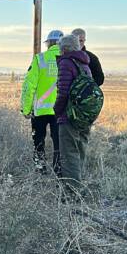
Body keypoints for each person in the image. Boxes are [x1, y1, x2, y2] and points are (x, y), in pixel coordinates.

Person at [54, 34, 94, 195]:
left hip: (69, 116)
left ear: (64, 49)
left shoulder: (65, 63)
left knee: (69, 154)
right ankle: (78, 187)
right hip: (84, 116)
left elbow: (63, 92)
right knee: (79, 151)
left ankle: (72, 193)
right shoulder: (84, 63)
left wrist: (57, 111)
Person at [22, 30, 63, 174]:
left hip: (40, 111)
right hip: (61, 111)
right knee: (59, 144)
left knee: (38, 142)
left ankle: (40, 170)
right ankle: (59, 171)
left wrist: (26, 109)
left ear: (49, 44)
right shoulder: (69, 60)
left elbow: (29, 86)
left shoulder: (40, 59)